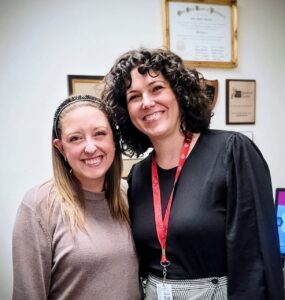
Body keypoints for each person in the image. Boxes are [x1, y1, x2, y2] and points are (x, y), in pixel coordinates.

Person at [102, 48, 284, 299]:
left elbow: (255, 259)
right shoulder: (139, 176)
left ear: (179, 93)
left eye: (157, 89)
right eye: (134, 96)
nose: (146, 102)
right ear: (126, 111)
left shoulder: (232, 152)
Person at [12, 94, 141, 300]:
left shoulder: (130, 193)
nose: (90, 148)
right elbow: (28, 294)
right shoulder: (39, 204)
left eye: (99, 134)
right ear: (61, 148)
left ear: (114, 141)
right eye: (75, 138)